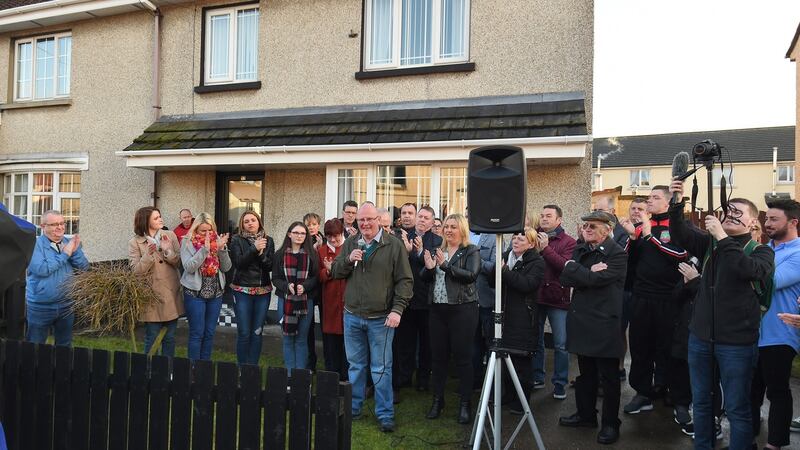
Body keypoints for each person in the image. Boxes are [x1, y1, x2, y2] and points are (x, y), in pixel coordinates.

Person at [668, 179, 774, 450]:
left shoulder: (761, 251)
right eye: (728, 211)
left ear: (753, 223)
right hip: (701, 337)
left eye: (739, 212)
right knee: (701, 402)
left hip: (736, 342)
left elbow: (748, 270)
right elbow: (679, 232)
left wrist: (723, 238)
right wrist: (677, 201)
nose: (731, 214)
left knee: (737, 407)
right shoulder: (709, 244)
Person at [331, 201, 413, 433]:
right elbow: (335, 271)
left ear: (379, 220)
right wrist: (348, 260)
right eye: (361, 220)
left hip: (381, 319)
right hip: (352, 316)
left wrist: (397, 310)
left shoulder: (393, 245)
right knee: (355, 366)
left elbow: (405, 281)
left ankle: (385, 414)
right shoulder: (350, 243)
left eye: (370, 219)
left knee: (381, 368)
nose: (365, 223)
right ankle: (353, 409)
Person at [558, 211, 627, 446]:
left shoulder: (617, 254)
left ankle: (610, 423)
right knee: (585, 374)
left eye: (593, 226)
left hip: (604, 324)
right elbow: (566, 278)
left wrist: (578, 272)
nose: (586, 229)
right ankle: (586, 415)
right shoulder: (581, 249)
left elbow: (595, 281)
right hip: (582, 322)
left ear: (607, 230)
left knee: (608, 378)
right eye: (585, 225)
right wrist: (584, 272)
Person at [620, 185, 687, 415]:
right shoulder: (640, 227)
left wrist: (650, 236)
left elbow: (681, 255)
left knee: (667, 347)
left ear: (667, 203)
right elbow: (627, 261)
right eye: (649, 197)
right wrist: (632, 237)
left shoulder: (678, 227)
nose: (649, 201)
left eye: (655, 197)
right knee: (640, 346)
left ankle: (668, 388)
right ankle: (643, 392)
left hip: (669, 298)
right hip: (641, 297)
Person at [421, 213, 480, 424]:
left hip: (463, 310)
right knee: (438, 359)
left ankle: (465, 403)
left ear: (462, 229)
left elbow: (471, 275)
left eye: (453, 227)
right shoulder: (439, 250)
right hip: (438, 310)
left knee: (463, 358)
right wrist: (428, 268)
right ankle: (438, 400)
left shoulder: (471, 250)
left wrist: (445, 265)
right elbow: (425, 277)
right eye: (446, 226)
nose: (448, 230)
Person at [751, 199, 800, 450]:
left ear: (793, 222)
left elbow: (769, 282)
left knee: (777, 391)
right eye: (766, 219)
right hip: (751, 333)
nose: (766, 223)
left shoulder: (798, 253)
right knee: (750, 391)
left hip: (780, 333)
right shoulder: (763, 249)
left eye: (773, 219)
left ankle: (774, 445)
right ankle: (746, 440)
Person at [393, 205, 441, 394]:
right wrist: (407, 250)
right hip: (406, 297)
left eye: (426, 217)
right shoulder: (405, 236)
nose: (421, 220)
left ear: (432, 221)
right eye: (419, 216)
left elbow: (432, 267)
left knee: (426, 344)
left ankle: (423, 378)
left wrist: (419, 253)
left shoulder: (437, 240)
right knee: (405, 342)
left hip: (427, 299)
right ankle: (405, 376)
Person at [496, 228, 545, 414]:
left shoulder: (537, 262)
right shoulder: (506, 256)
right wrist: (497, 270)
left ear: (531, 244)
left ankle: (522, 401)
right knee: (506, 358)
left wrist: (504, 271)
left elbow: (527, 285)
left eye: (521, 238)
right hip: (504, 316)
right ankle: (508, 395)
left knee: (521, 362)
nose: (516, 240)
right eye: (514, 237)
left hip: (523, 318)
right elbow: (495, 281)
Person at [26, 210, 89, 346]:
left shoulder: (69, 243)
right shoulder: (34, 245)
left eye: (62, 223)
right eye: (54, 224)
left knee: (64, 346)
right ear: (43, 227)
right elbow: (42, 269)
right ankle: (32, 368)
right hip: (40, 306)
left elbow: (83, 267)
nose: (60, 227)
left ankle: (60, 368)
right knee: (34, 346)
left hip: (66, 304)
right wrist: (66, 253)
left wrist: (75, 251)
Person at [532, 204, 576, 400]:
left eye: (549, 216)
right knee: (536, 340)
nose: (544, 219)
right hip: (536, 296)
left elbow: (563, 267)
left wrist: (546, 249)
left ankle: (559, 383)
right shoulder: (532, 237)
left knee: (560, 344)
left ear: (559, 220)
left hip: (558, 299)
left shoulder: (569, 242)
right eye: (542, 216)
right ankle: (537, 377)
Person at [128, 206, 183, 357]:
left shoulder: (170, 235)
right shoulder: (135, 242)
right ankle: (150, 371)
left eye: (160, 216)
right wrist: (148, 254)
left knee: (170, 338)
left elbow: (178, 262)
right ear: (146, 221)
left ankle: (168, 370)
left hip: (171, 292)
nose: (161, 219)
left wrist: (167, 251)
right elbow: (136, 271)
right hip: (151, 295)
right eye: (156, 218)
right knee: (152, 337)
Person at [180, 212, 232, 360]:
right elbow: (188, 267)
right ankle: (193, 369)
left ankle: (204, 369)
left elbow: (227, 267)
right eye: (203, 230)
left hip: (215, 294)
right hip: (195, 294)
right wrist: (205, 250)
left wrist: (221, 249)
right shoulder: (187, 241)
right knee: (197, 333)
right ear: (196, 229)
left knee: (209, 333)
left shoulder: (219, 241)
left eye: (210, 230)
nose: (208, 234)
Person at [272, 221, 319, 374]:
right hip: (285, 301)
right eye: (296, 233)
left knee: (301, 339)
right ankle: (290, 376)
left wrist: (305, 286)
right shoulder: (279, 255)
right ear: (289, 234)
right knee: (287, 339)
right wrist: (287, 286)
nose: (299, 236)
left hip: (306, 302)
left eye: (303, 233)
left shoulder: (311, 254)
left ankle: (301, 376)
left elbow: (315, 278)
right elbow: (276, 279)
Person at [229, 210, 274, 366]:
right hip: (242, 291)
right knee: (244, 333)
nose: (250, 223)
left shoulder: (269, 240)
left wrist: (261, 254)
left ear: (258, 222)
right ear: (242, 224)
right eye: (246, 221)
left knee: (257, 332)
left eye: (253, 220)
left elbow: (269, 266)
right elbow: (239, 263)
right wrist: (254, 249)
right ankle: (242, 368)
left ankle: (252, 368)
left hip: (263, 292)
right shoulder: (236, 240)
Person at [469, 218, 497, 391]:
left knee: (489, 342)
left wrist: (475, 260)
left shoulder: (493, 237)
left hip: (486, 299)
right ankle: (475, 381)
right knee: (472, 343)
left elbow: (494, 267)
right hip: (467, 300)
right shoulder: (463, 236)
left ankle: (491, 384)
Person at [318, 219, 348, 380]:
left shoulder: (349, 247)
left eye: (336, 236)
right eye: (329, 237)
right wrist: (328, 272)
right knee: (331, 343)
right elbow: (319, 275)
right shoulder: (322, 251)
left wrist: (334, 269)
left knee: (347, 343)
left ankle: (346, 377)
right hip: (329, 302)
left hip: (347, 300)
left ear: (342, 233)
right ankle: (332, 376)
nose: (333, 240)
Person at [303, 212, 325, 371]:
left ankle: (328, 359)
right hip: (308, 290)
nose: (311, 227)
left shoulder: (324, 239)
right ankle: (310, 362)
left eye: (314, 224)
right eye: (308, 224)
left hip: (323, 289)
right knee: (307, 328)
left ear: (319, 225)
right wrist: (313, 250)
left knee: (325, 326)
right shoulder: (301, 240)